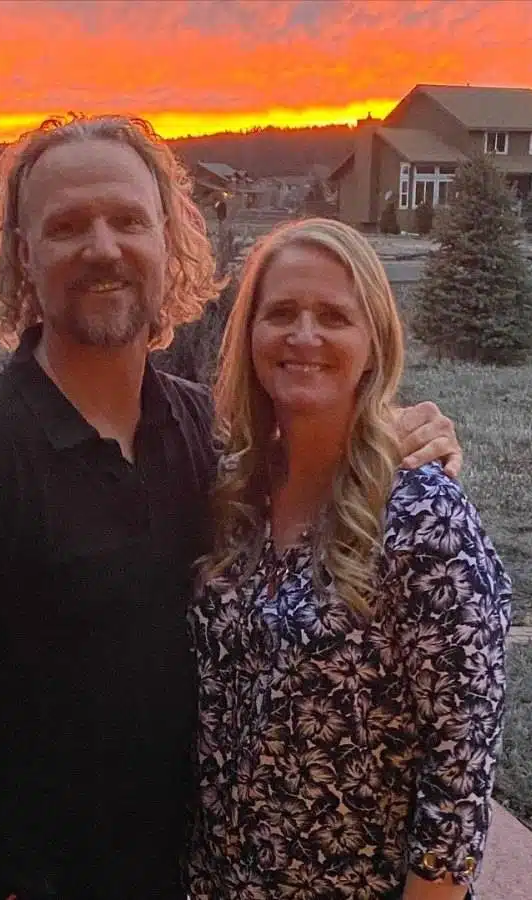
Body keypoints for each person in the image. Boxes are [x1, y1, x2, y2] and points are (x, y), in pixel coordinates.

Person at [0, 115, 463, 900]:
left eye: (128, 220)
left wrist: (403, 435)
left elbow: (322, 463)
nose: (103, 247)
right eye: (67, 226)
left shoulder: (208, 438)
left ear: (168, 241)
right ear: (23, 256)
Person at [188, 218, 511, 900]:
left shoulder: (424, 517)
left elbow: (459, 773)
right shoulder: (230, 495)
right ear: (249, 336)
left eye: (333, 316)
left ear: (374, 344)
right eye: (281, 313)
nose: (304, 336)